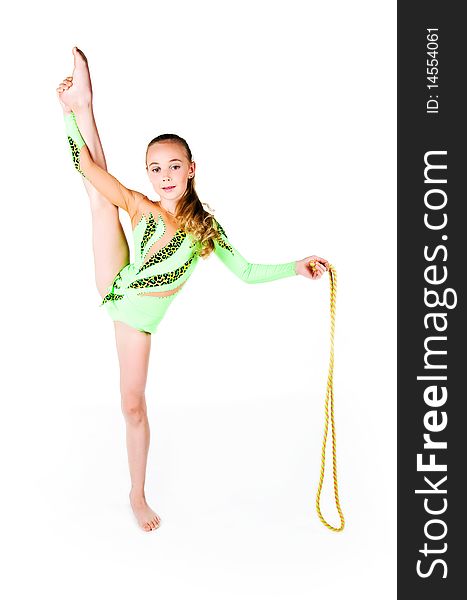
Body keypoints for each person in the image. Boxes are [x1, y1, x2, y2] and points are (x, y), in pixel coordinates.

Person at [56, 47, 330, 532]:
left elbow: (245, 271)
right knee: (100, 200)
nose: (164, 176)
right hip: (116, 282)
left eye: (173, 166)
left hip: (137, 320)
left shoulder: (205, 230)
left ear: (191, 168)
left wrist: (295, 266)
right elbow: (90, 171)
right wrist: (70, 120)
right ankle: (84, 103)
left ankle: (135, 493)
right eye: (155, 168)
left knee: (132, 405)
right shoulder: (142, 206)